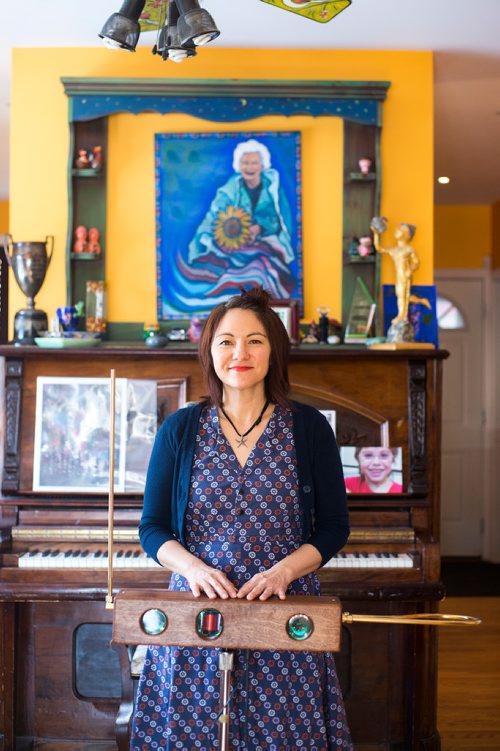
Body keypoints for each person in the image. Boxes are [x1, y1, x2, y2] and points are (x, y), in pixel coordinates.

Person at [131, 287, 352, 750]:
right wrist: (193, 568)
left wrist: (284, 571)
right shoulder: (181, 429)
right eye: (226, 341)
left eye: (255, 340)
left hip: (286, 614)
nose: (240, 353)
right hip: (196, 613)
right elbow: (152, 528)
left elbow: (334, 525)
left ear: (274, 351)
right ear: (210, 352)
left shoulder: (309, 428)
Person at [182, 139, 296, 301]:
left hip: (265, 241)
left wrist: (260, 228)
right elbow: (215, 216)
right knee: (219, 265)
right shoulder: (230, 189)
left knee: (266, 268)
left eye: (254, 163)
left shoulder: (272, 189)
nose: (250, 167)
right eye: (245, 162)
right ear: (238, 165)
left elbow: (279, 219)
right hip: (234, 242)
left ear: (262, 166)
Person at [370, 218, 419, 324]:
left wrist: (409, 271)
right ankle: (403, 314)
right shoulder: (394, 249)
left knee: (403, 294)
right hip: (398, 275)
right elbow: (379, 248)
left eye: (401, 230)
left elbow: (416, 262)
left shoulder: (409, 249)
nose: (397, 230)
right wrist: (376, 234)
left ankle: (402, 316)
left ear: (407, 235)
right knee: (399, 294)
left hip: (405, 274)